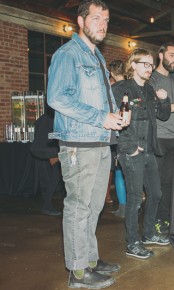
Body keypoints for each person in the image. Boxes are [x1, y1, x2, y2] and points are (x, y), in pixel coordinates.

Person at [47, 0, 124, 288]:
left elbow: (100, 98)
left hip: (99, 141)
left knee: (93, 208)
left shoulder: (98, 58)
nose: (102, 24)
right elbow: (57, 98)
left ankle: (90, 259)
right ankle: (78, 272)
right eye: (95, 18)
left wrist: (114, 116)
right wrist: (100, 117)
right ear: (80, 21)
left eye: (106, 20)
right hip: (79, 143)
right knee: (78, 207)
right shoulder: (68, 55)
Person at [113, 48, 171, 259]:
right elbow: (114, 118)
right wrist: (129, 147)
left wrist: (163, 99)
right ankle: (132, 243)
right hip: (132, 152)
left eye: (151, 64)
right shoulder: (120, 89)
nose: (149, 68)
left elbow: (163, 116)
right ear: (133, 65)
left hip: (149, 151)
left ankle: (147, 234)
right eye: (145, 64)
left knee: (156, 194)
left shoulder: (149, 90)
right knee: (135, 199)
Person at [149, 43, 174, 234]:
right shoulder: (152, 80)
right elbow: (156, 110)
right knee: (158, 183)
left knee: (171, 182)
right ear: (161, 54)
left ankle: (166, 218)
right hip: (158, 137)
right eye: (171, 54)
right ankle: (156, 220)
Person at [30, 107, 64, 216]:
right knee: (58, 174)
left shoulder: (43, 117)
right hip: (49, 149)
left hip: (38, 148)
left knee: (58, 174)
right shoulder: (56, 117)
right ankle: (47, 205)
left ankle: (53, 203)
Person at [109, 59, 127, 218]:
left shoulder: (111, 90)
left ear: (112, 74)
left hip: (118, 134)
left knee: (119, 171)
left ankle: (123, 208)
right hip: (134, 134)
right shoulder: (132, 87)